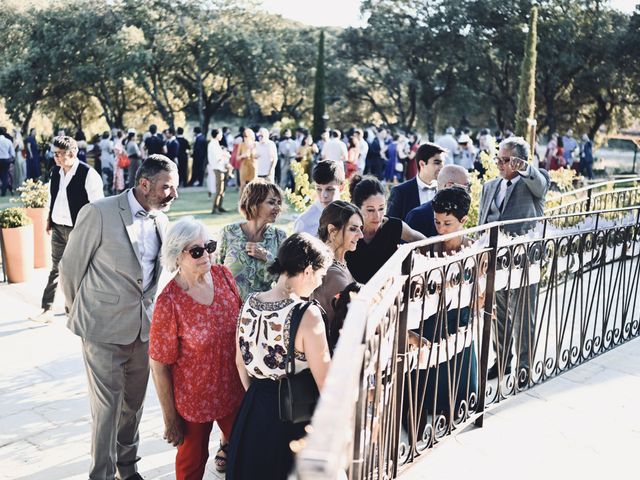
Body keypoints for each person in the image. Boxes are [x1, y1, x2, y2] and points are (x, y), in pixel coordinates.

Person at [59, 155, 179, 480]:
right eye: (167, 187)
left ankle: (128, 468)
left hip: (143, 332)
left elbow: (155, 278)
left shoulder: (162, 222)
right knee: (107, 410)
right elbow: (70, 268)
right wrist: (82, 314)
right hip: (101, 330)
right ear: (144, 184)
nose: (174, 194)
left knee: (133, 406)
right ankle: (101, 473)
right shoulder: (99, 212)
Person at [226, 233, 333, 480]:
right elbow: (325, 383)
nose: (319, 283)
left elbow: (240, 364)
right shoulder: (308, 314)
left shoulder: (249, 303)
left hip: (253, 409)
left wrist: (260, 397)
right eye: (320, 276)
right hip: (294, 416)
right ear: (307, 271)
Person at [149, 217, 244, 478]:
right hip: (193, 402)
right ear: (176, 256)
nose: (206, 255)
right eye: (196, 251)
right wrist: (170, 419)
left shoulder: (223, 275)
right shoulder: (169, 302)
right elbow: (159, 366)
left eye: (209, 246)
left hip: (233, 390)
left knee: (247, 456)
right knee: (191, 464)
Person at [478, 136, 549, 388]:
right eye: (498, 159)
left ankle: (524, 367)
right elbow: (482, 222)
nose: (500, 164)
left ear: (519, 161)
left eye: (506, 160)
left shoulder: (533, 182)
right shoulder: (489, 186)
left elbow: (541, 186)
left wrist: (525, 170)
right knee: (499, 316)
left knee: (523, 315)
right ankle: (502, 361)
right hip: (495, 261)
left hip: (524, 261)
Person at [409, 187, 478, 431]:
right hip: (430, 319)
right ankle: (425, 407)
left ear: (463, 221)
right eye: (437, 222)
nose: (441, 229)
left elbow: (480, 292)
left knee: (457, 373)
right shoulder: (427, 249)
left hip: (459, 318)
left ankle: (456, 405)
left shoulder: (474, 250)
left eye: (447, 223)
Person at [29, 136, 104, 323]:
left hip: (78, 230)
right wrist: (49, 219)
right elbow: (53, 197)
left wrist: (90, 232)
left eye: (58, 154)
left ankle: (77, 309)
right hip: (57, 228)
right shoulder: (56, 172)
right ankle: (47, 309)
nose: (55, 158)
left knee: (79, 271)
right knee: (56, 269)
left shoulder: (88, 174)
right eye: (54, 154)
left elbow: (98, 206)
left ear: (71, 153)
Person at [346, 175, 426, 284]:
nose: (377, 215)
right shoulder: (347, 229)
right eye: (370, 210)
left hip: (389, 294)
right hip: (354, 295)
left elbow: (424, 242)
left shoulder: (394, 226)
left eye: (381, 208)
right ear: (357, 208)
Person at [217, 179, 287, 300]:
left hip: (264, 312)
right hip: (230, 309)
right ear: (254, 203)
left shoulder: (279, 237)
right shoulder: (228, 233)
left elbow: (286, 280)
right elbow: (216, 274)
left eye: (279, 203)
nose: (277, 208)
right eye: (271, 202)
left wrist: (267, 257)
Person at [312, 200, 363, 336]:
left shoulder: (340, 262)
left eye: (360, 229)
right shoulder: (331, 272)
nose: (361, 235)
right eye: (353, 229)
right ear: (332, 230)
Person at [405, 165, 471, 238]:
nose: (470, 191)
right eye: (467, 187)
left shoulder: (461, 211)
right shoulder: (418, 216)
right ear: (449, 186)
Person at [386, 142, 446, 221]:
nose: (442, 167)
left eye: (443, 163)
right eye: (437, 163)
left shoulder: (445, 190)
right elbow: (391, 225)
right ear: (422, 164)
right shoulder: (400, 192)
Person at [293, 160, 344, 236]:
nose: (324, 195)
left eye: (329, 189)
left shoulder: (351, 216)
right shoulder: (304, 223)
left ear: (341, 187)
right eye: (319, 189)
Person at [207, 128, 231, 213]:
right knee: (219, 189)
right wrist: (225, 155)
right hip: (218, 168)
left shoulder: (216, 144)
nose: (221, 136)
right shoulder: (213, 144)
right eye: (220, 134)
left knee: (222, 189)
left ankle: (220, 206)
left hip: (221, 168)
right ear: (217, 135)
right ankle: (215, 208)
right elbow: (218, 158)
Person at [237, 128, 257, 199]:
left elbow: (258, 156)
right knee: (242, 186)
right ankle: (240, 203)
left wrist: (253, 153)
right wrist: (243, 155)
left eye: (247, 136)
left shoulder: (255, 144)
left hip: (253, 166)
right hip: (244, 167)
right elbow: (237, 158)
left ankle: (252, 203)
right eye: (244, 136)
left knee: (253, 186)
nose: (245, 138)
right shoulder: (241, 145)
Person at [0, 127, 15, 196]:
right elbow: (12, 153)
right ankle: (3, 192)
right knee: (5, 176)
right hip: (6, 160)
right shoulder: (8, 141)